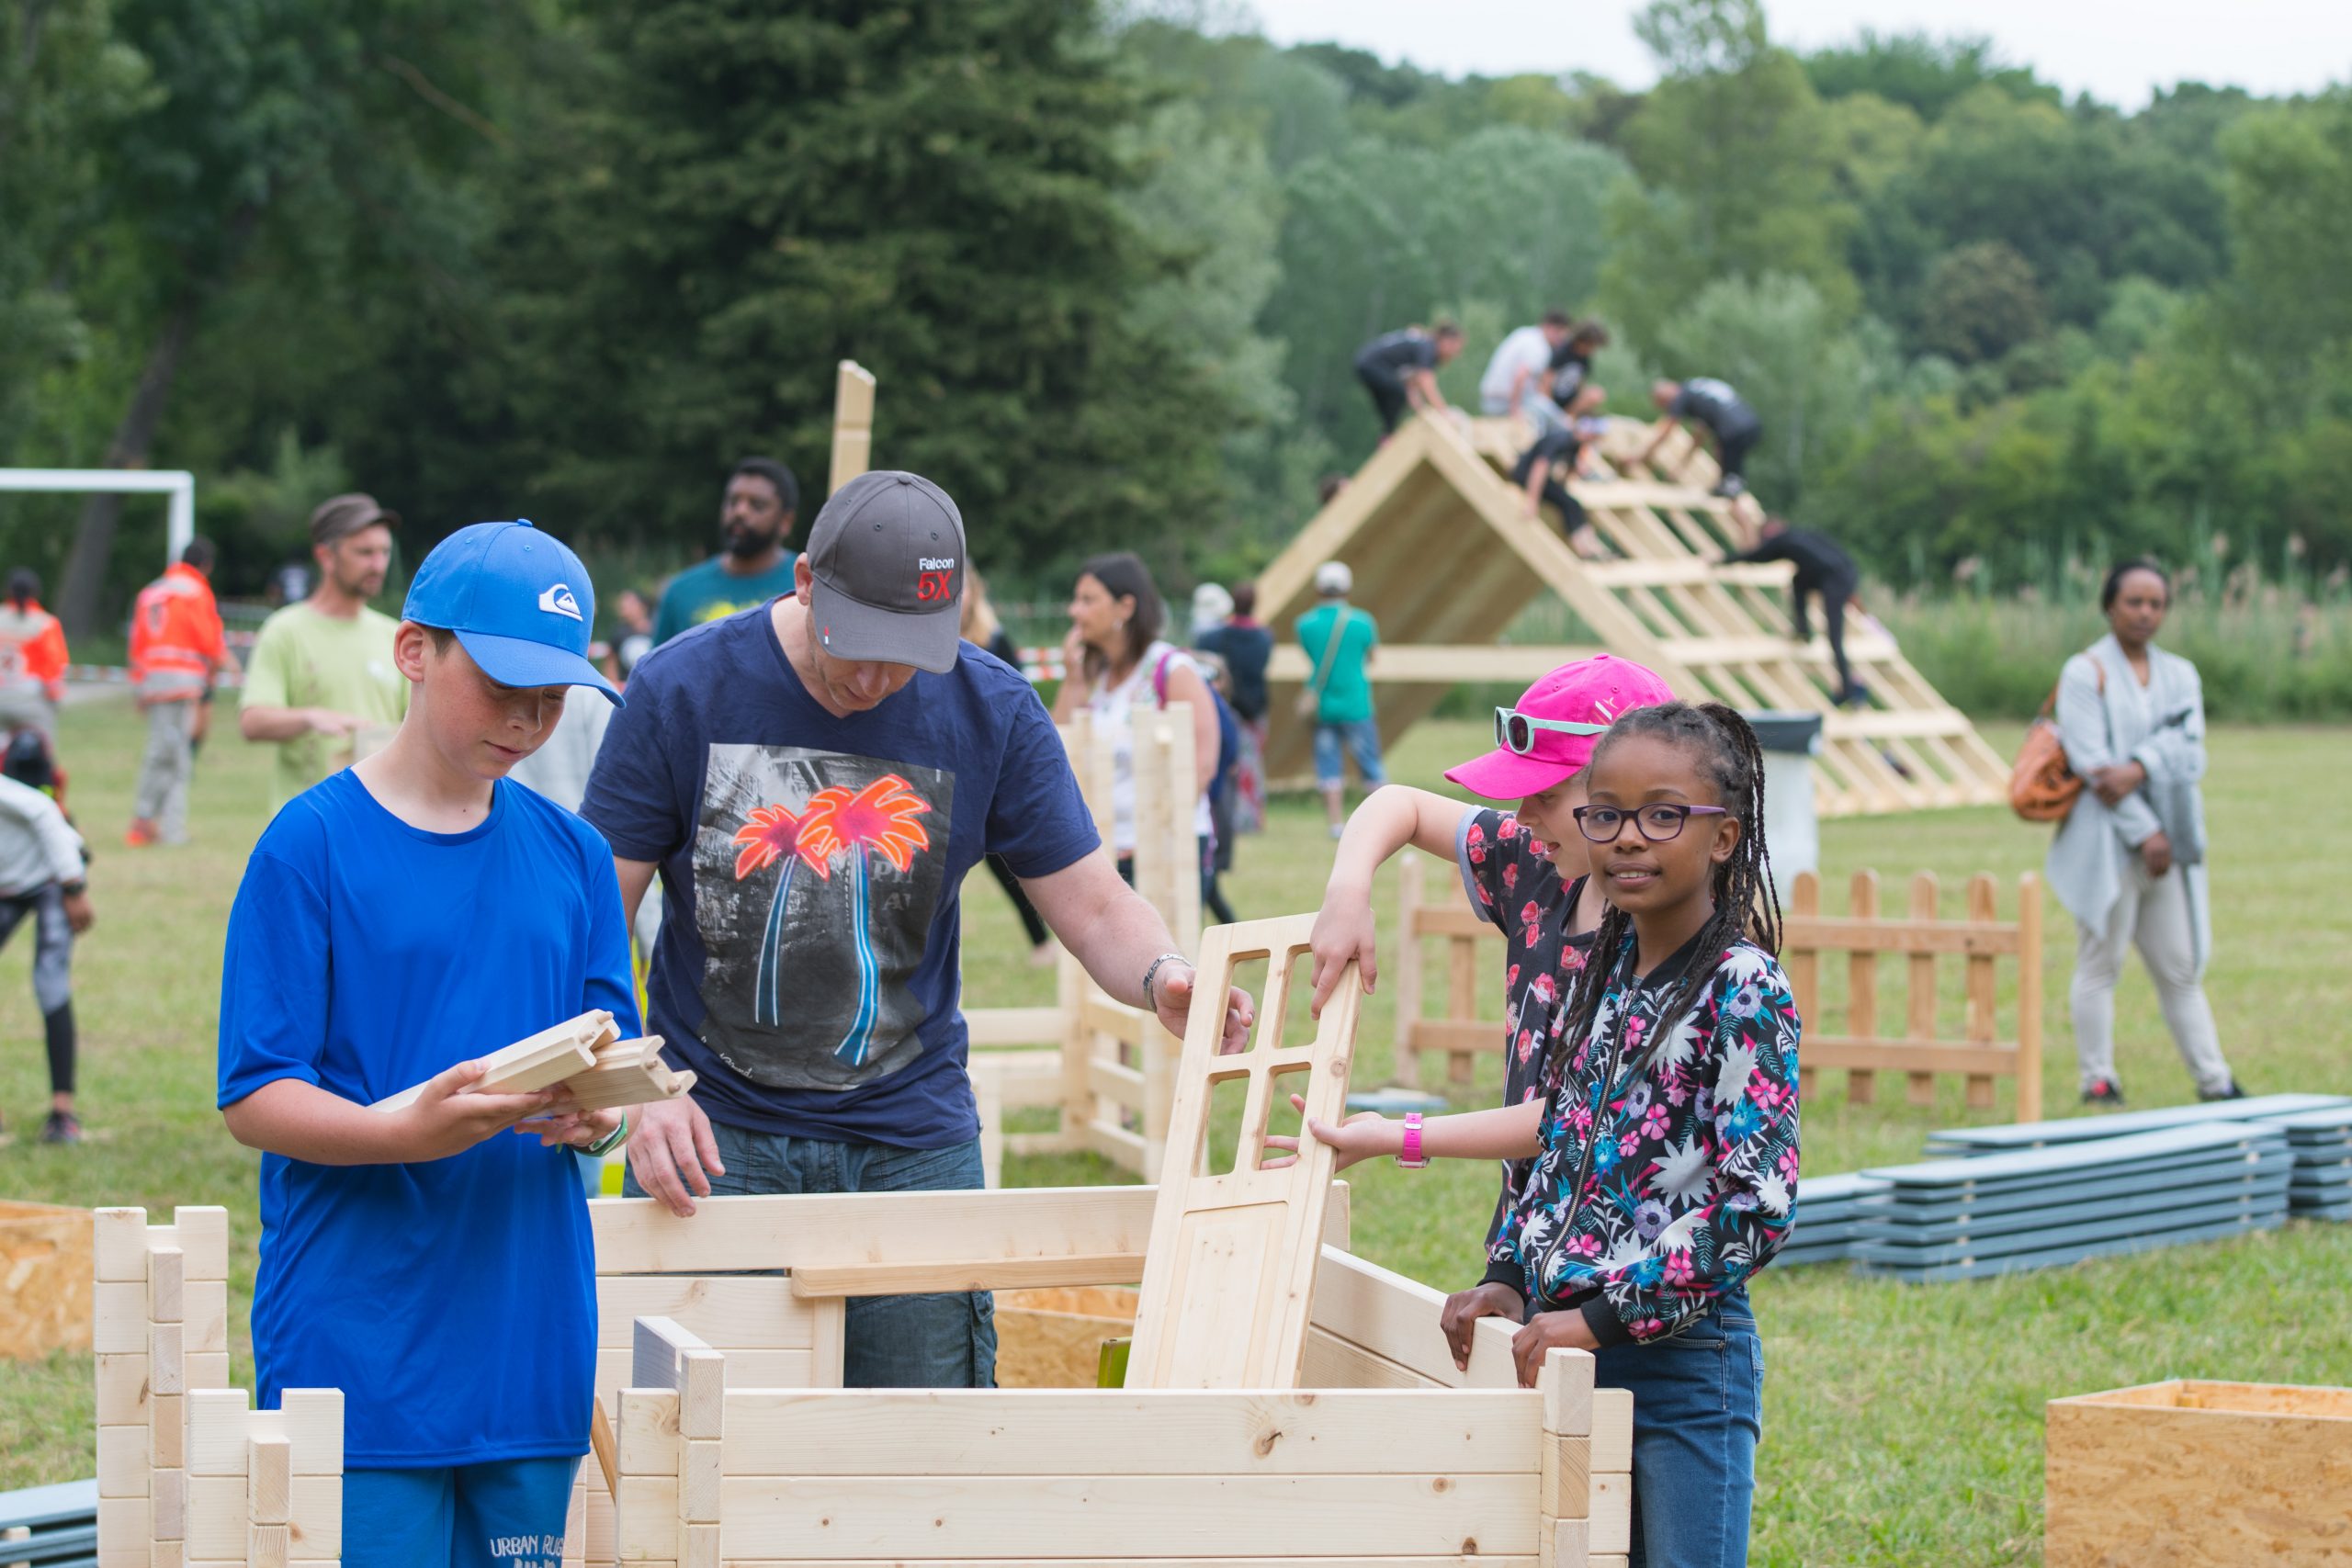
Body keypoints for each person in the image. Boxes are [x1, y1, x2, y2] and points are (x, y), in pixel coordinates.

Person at [579, 472, 1251, 1388]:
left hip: (910, 1136)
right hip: (714, 1132)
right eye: (855, 646)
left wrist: (1164, 975)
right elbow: (589, 918)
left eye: (906, 655)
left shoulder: (992, 709)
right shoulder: (682, 689)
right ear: (806, 580)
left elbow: (1094, 905)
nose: (874, 678)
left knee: (926, 1448)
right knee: (711, 1448)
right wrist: (640, 1084)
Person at [1283, 700, 1796, 1568]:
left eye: (1663, 814)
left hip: (1681, 1370)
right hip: (1565, 1354)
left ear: (1724, 836)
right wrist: (1512, 1277)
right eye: (1606, 814)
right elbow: (1564, 1140)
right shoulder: (1606, 969)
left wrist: (1597, 1317)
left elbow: (1756, 1210)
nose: (1629, 837)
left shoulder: (1744, 988)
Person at [216, 518, 635, 1568]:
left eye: (554, 698)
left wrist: (604, 1114)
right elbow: (255, 1091)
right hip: (361, 1339)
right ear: (415, 650)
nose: (531, 721)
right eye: (503, 689)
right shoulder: (307, 845)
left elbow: (610, 1049)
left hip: (528, 1333)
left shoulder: (577, 857)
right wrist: (400, 1130)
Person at [2048, 559, 2241, 1108]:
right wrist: (2145, 826)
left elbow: (2193, 752)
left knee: (2181, 967)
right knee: (2100, 963)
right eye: (2134, 602)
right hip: (2107, 844)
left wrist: (2140, 764)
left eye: (2156, 603)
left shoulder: (2181, 673)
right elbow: (2091, 765)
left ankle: (2216, 1082)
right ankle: (2098, 1081)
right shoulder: (2085, 672)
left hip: (2170, 845)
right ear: (2110, 605)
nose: (2145, 613)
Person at [1050, 553, 1224, 909]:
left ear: (1125, 607)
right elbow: (1054, 748)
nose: (1074, 611)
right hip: (1106, 848)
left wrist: (1153, 838)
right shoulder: (1097, 676)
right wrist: (1072, 678)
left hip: (1167, 848)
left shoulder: (1171, 668)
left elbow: (1203, 765)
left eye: (1087, 600)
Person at [240, 493, 407, 812]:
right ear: (326, 557)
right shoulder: (285, 630)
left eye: (384, 552)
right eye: (365, 553)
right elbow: (253, 722)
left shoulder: (395, 635)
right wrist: (309, 717)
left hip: (382, 817)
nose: (378, 565)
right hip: (308, 823)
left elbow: (416, 724)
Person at [0, 733, 92, 1144]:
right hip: (8, 883)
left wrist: (74, 889)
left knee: (50, 984)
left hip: (52, 878)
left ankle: (62, 1114)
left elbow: (43, 813)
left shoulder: (21, 798)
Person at [961, 570, 1053, 966]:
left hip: (994, 770)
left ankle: (1042, 942)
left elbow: (1021, 705)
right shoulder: (924, 646)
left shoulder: (996, 642)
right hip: (954, 767)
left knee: (1011, 867)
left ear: (975, 593)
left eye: (961, 588)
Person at [127, 538, 233, 847]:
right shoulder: (196, 591)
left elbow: (137, 642)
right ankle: (163, 827)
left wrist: (140, 685)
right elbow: (208, 640)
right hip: (184, 681)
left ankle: (149, 823)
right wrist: (218, 669)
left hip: (154, 681)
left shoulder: (151, 591)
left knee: (162, 751)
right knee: (177, 757)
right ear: (206, 565)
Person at [650, 457, 800, 646]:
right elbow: (656, 673)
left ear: (786, 522)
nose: (740, 512)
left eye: (757, 505)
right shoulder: (680, 592)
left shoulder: (805, 587)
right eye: (733, 501)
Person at [1720, 517, 1867, 706]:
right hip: (1846, 572)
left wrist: (1722, 560)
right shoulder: (1803, 534)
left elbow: (1754, 556)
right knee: (1799, 580)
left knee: (1835, 638)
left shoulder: (1783, 542)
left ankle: (1847, 690)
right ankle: (1803, 629)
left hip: (1835, 580)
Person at [1296, 561, 1382, 839]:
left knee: (1328, 764)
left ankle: (1335, 824)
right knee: (1369, 763)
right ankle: (1381, 820)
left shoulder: (1305, 624)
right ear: (1347, 587)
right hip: (1357, 703)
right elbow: (1371, 657)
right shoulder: (1362, 621)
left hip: (1324, 705)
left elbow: (1311, 657)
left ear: (1319, 588)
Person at [1194, 581, 1272, 837]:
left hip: (1226, 708)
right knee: (1253, 764)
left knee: (1226, 764)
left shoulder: (1213, 637)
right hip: (1255, 709)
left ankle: (1229, 817)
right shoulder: (1265, 638)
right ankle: (1252, 818)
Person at [1512, 383, 1609, 560]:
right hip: (1524, 475)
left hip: (1539, 477)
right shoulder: (1561, 439)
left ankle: (1593, 548)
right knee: (1569, 504)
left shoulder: (1574, 444)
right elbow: (1539, 467)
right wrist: (1532, 501)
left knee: (1573, 504)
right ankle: (1584, 549)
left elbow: (1568, 471)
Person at [1638, 378, 1763, 499]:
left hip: (1732, 432)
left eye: (1664, 403)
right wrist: (1680, 468)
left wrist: (1641, 456)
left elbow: (1665, 432)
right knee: (1731, 472)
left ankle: (1731, 490)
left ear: (1669, 392)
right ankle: (1732, 486)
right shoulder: (1696, 390)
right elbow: (1698, 438)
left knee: (1728, 481)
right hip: (1752, 426)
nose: (1668, 407)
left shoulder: (1682, 396)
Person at [1353, 321, 1463, 439]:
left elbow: (1411, 388)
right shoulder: (1428, 347)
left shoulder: (1422, 344)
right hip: (1371, 365)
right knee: (1398, 395)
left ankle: (1388, 436)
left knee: (1397, 399)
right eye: (1455, 348)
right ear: (1445, 341)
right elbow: (1426, 382)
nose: (1455, 354)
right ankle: (1388, 437)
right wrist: (1444, 413)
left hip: (1366, 362)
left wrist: (1423, 414)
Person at [0, 570, 69, 743]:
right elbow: (54, 669)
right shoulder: (45, 623)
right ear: (36, 592)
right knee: (41, 751)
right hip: (30, 699)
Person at [1478, 309, 1573, 429]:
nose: (1561, 340)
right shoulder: (1540, 346)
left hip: (1488, 400)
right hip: (1504, 402)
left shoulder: (1524, 334)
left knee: (1542, 408)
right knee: (1557, 419)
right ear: (1552, 328)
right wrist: (1515, 411)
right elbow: (1520, 375)